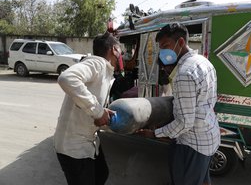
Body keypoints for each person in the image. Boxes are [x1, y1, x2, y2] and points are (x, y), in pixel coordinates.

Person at [140, 23, 220, 185]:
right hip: (209, 137)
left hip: (192, 144)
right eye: (160, 47)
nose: (162, 51)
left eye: (166, 46)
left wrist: (155, 133)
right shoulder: (203, 62)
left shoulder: (184, 73)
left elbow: (184, 122)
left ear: (181, 42)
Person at [53, 31, 123, 185]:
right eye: (121, 51)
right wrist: (98, 112)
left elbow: (90, 106)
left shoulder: (106, 71)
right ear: (114, 50)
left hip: (89, 142)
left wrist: (103, 116)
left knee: (101, 174)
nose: (122, 56)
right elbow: (67, 78)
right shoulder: (97, 63)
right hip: (73, 147)